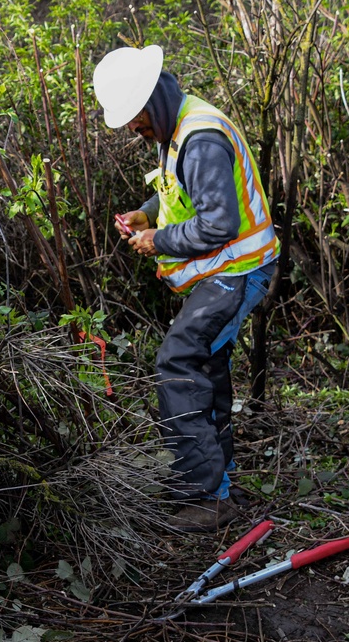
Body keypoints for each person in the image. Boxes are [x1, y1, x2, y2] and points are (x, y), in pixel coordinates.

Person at [93, 45, 280, 532]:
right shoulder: (178, 126)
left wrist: (158, 240)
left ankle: (205, 495)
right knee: (204, 362)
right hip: (228, 269)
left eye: (135, 119)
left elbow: (218, 222)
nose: (134, 129)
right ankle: (217, 483)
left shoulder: (199, 138)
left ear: (151, 100)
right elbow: (183, 188)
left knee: (179, 361)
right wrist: (148, 212)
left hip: (239, 271)